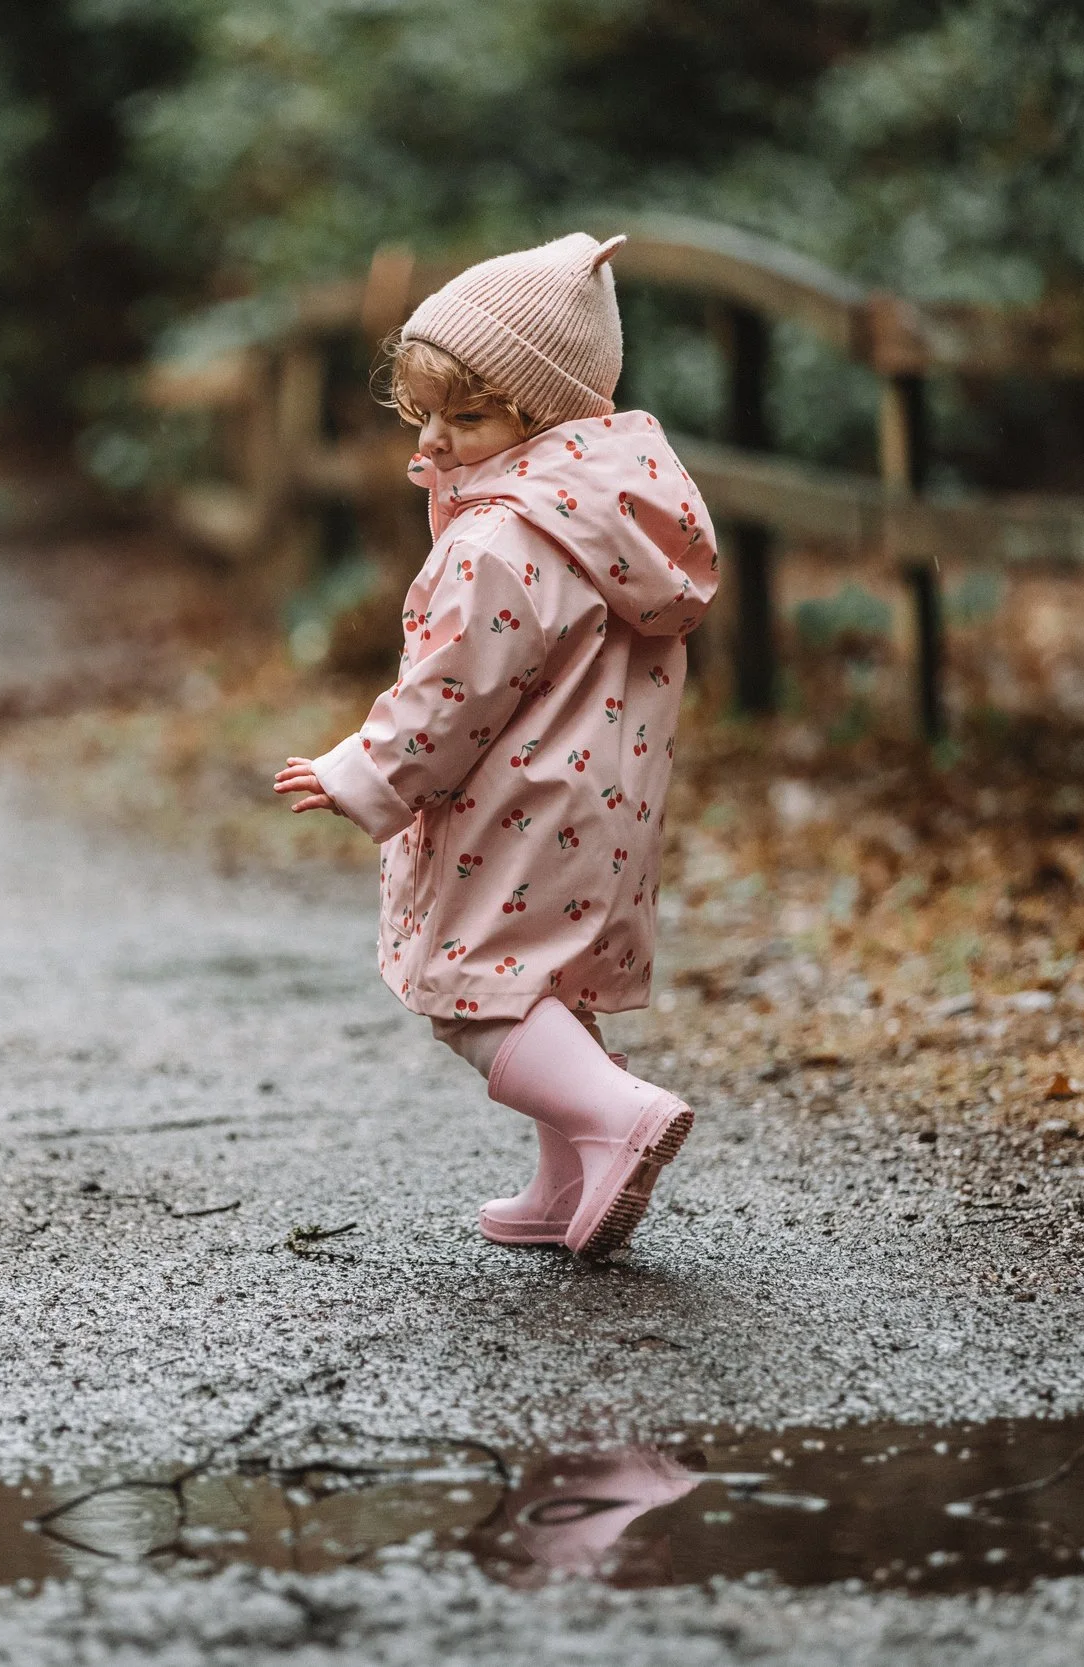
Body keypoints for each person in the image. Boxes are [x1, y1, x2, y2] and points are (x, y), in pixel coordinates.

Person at [272, 232, 718, 1260]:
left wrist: (364, 770)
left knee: (473, 991)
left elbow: (453, 689)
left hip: (512, 801)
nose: (437, 437)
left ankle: (617, 1115)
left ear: (544, 413)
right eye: (425, 412)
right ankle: (565, 1180)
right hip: (603, 797)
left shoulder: (500, 538)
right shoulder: (609, 506)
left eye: (467, 417)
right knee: (546, 981)